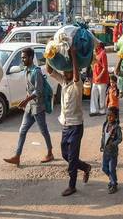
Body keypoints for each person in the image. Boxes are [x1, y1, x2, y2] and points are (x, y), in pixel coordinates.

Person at [46, 47, 91, 196]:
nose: (65, 74)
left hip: (76, 126)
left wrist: (73, 55)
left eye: (68, 72)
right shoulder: (63, 82)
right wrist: (49, 54)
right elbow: (49, 70)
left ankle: (72, 185)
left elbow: (76, 74)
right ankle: (85, 167)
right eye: (64, 72)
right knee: (66, 155)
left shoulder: (76, 84)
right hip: (65, 125)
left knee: (71, 158)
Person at [4, 48, 54, 166]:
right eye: (21, 58)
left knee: (43, 131)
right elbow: (29, 89)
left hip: (38, 107)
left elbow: (38, 91)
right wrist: (25, 101)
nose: (22, 60)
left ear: (31, 58)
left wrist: (26, 100)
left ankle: (50, 152)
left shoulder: (36, 72)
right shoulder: (26, 70)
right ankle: (17, 156)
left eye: (24, 57)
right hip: (29, 107)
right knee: (22, 131)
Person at [100, 107, 122, 194]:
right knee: (104, 168)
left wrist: (113, 144)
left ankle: (113, 184)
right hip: (105, 151)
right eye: (108, 115)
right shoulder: (105, 125)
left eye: (111, 116)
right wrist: (101, 145)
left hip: (113, 153)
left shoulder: (117, 128)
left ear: (115, 117)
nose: (109, 117)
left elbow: (120, 139)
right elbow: (103, 137)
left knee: (112, 169)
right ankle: (113, 179)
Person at [90, 43, 109, 116]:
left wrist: (99, 76)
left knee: (102, 95)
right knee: (94, 94)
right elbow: (93, 66)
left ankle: (102, 110)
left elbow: (105, 68)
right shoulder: (95, 53)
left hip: (102, 79)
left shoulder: (103, 53)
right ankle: (94, 110)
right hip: (95, 78)